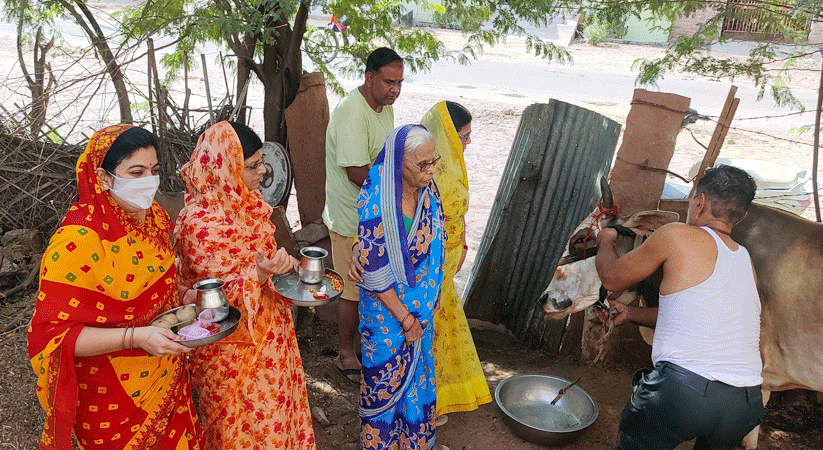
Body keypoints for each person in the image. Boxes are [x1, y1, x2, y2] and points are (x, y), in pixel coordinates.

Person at [28, 125, 203, 450]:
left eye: (154, 171)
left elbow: (156, 287)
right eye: (135, 172)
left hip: (165, 375)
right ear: (104, 177)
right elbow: (52, 338)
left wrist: (184, 298)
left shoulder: (156, 220)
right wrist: (135, 337)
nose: (149, 182)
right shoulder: (76, 243)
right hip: (110, 402)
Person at [595, 165, 764, 450]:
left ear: (699, 202)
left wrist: (605, 240)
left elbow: (611, 277)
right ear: (743, 215)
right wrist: (632, 313)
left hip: (683, 394)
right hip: (744, 403)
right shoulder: (745, 260)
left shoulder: (677, 234)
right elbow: (693, 319)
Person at [174, 121, 315, 449]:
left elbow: (262, 268)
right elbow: (207, 303)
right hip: (229, 359)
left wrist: (285, 270)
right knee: (243, 434)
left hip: (273, 345)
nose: (263, 171)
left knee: (278, 423)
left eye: (261, 161)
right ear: (225, 169)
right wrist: (259, 277)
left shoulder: (248, 208)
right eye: (252, 165)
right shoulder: (197, 227)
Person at [356, 125, 446, 450]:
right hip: (387, 318)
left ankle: (413, 444)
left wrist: (420, 312)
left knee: (418, 383)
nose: (430, 171)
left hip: (418, 315)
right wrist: (406, 320)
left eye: (433, 161)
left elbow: (436, 242)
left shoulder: (427, 189)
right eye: (421, 165)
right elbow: (375, 274)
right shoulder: (376, 202)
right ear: (398, 163)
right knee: (384, 384)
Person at [323, 46, 404, 384]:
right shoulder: (353, 112)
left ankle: (359, 346)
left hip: (372, 211)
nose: (395, 90)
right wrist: (398, 186)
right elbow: (357, 171)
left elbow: (383, 157)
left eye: (400, 83)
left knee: (372, 285)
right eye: (388, 82)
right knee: (351, 289)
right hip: (349, 217)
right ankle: (344, 354)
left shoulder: (382, 108)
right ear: (369, 78)